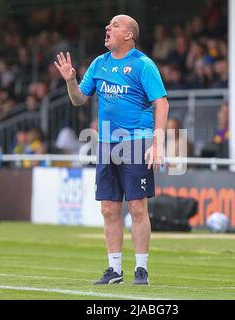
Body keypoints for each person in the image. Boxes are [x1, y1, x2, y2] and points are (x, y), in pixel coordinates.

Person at [54, 14, 169, 285]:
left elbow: (161, 104)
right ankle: (114, 270)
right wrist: (71, 80)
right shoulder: (98, 63)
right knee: (108, 207)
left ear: (129, 35)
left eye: (115, 25)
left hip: (136, 141)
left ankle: (141, 269)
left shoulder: (143, 64)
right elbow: (79, 100)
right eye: (108, 25)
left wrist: (158, 143)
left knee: (138, 207)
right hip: (106, 143)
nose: (107, 28)